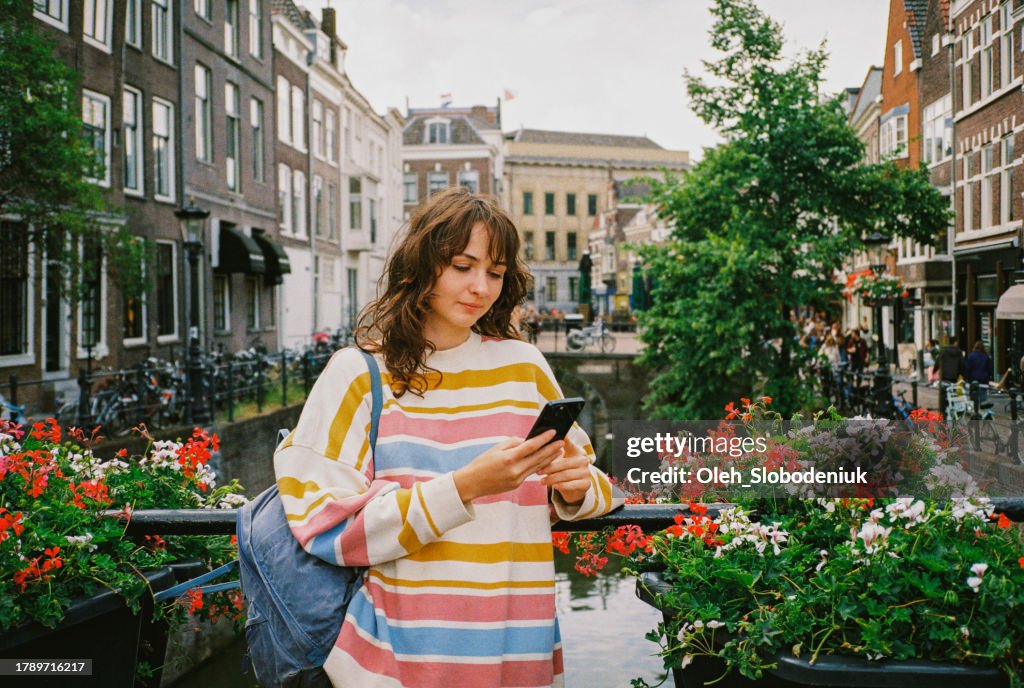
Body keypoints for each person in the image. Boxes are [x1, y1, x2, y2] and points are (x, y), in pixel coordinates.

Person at [274, 186, 622, 687]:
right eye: (463, 266)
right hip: (397, 665)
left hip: (518, 658)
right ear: (422, 265)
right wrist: (465, 487)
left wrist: (573, 486)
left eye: (496, 273)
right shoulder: (358, 374)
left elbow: (594, 488)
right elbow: (323, 525)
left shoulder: (523, 368)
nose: (480, 287)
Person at [938, 338, 966, 414]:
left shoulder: (943, 351)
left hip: (944, 377)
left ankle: (944, 413)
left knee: (944, 396)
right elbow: (962, 365)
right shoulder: (959, 352)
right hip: (954, 378)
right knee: (953, 394)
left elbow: (938, 363)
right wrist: (965, 377)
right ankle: (953, 410)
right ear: (955, 342)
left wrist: (935, 371)